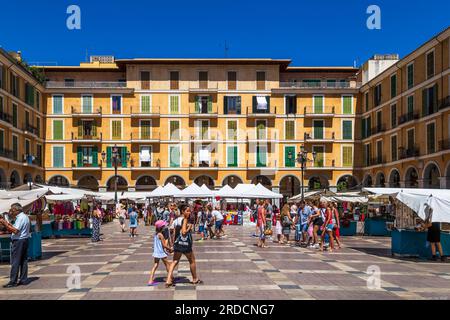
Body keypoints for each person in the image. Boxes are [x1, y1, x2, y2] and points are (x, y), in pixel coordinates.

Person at [165, 204, 202, 287]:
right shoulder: (185, 219)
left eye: (189, 211)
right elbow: (184, 232)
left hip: (177, 244)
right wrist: (189, 227)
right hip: (185, 245)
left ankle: (168, 280)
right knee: (192, 261)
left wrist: (172, 243)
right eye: (187, 211)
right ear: (182, 211)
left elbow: (171, 230)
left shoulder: (176, 220)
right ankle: (195, 279)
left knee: (174, 261)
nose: (189, 212)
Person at [0, 203, 30, 288]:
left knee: (16, 261)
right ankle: (23, 279)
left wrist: (4, 223)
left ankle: (13, 281)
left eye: (12, 210)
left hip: (19, 241)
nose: (11, 211)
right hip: (24, 240)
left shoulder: (20, 218)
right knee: (23, 260)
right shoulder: (24, 217)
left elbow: (15, 231)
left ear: (16, 210)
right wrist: (7, 224)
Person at [148, 220, 172, 286]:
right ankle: (170, 278)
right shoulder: (161, 235)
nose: (165, 227)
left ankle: (150, 280)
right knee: (167, 265)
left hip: (156, 252)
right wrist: (170, 249)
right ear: (161, 228)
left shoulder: (155, 234)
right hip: (161, 252)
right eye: (164, 226)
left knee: (155, 265)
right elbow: (164, 245)